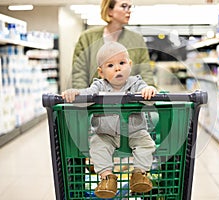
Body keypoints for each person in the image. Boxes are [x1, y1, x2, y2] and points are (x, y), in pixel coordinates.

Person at [62, 42, 157, 199]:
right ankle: (107, 178)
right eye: (111, 65)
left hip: (135, 131)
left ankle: (139, 174)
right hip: (105, 133)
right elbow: (87, 96)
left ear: (130, 64)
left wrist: (149, 90)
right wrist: (75, 93)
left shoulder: (137, 83)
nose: (118, 68)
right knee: (97, 144)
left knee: (146, 144)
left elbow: (149, 99)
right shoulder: (99, 85)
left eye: (122, 63)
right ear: (101, 72)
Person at [72, 0, 155, 89]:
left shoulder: (137, 39)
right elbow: (79, 73)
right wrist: (83, 98)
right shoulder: (87, 38)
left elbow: (146, 72)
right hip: (95, 100)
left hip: (130, 100)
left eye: (130, 7)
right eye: (123, 6)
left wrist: (148, 91)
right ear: (109, 10)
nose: (129, 10)